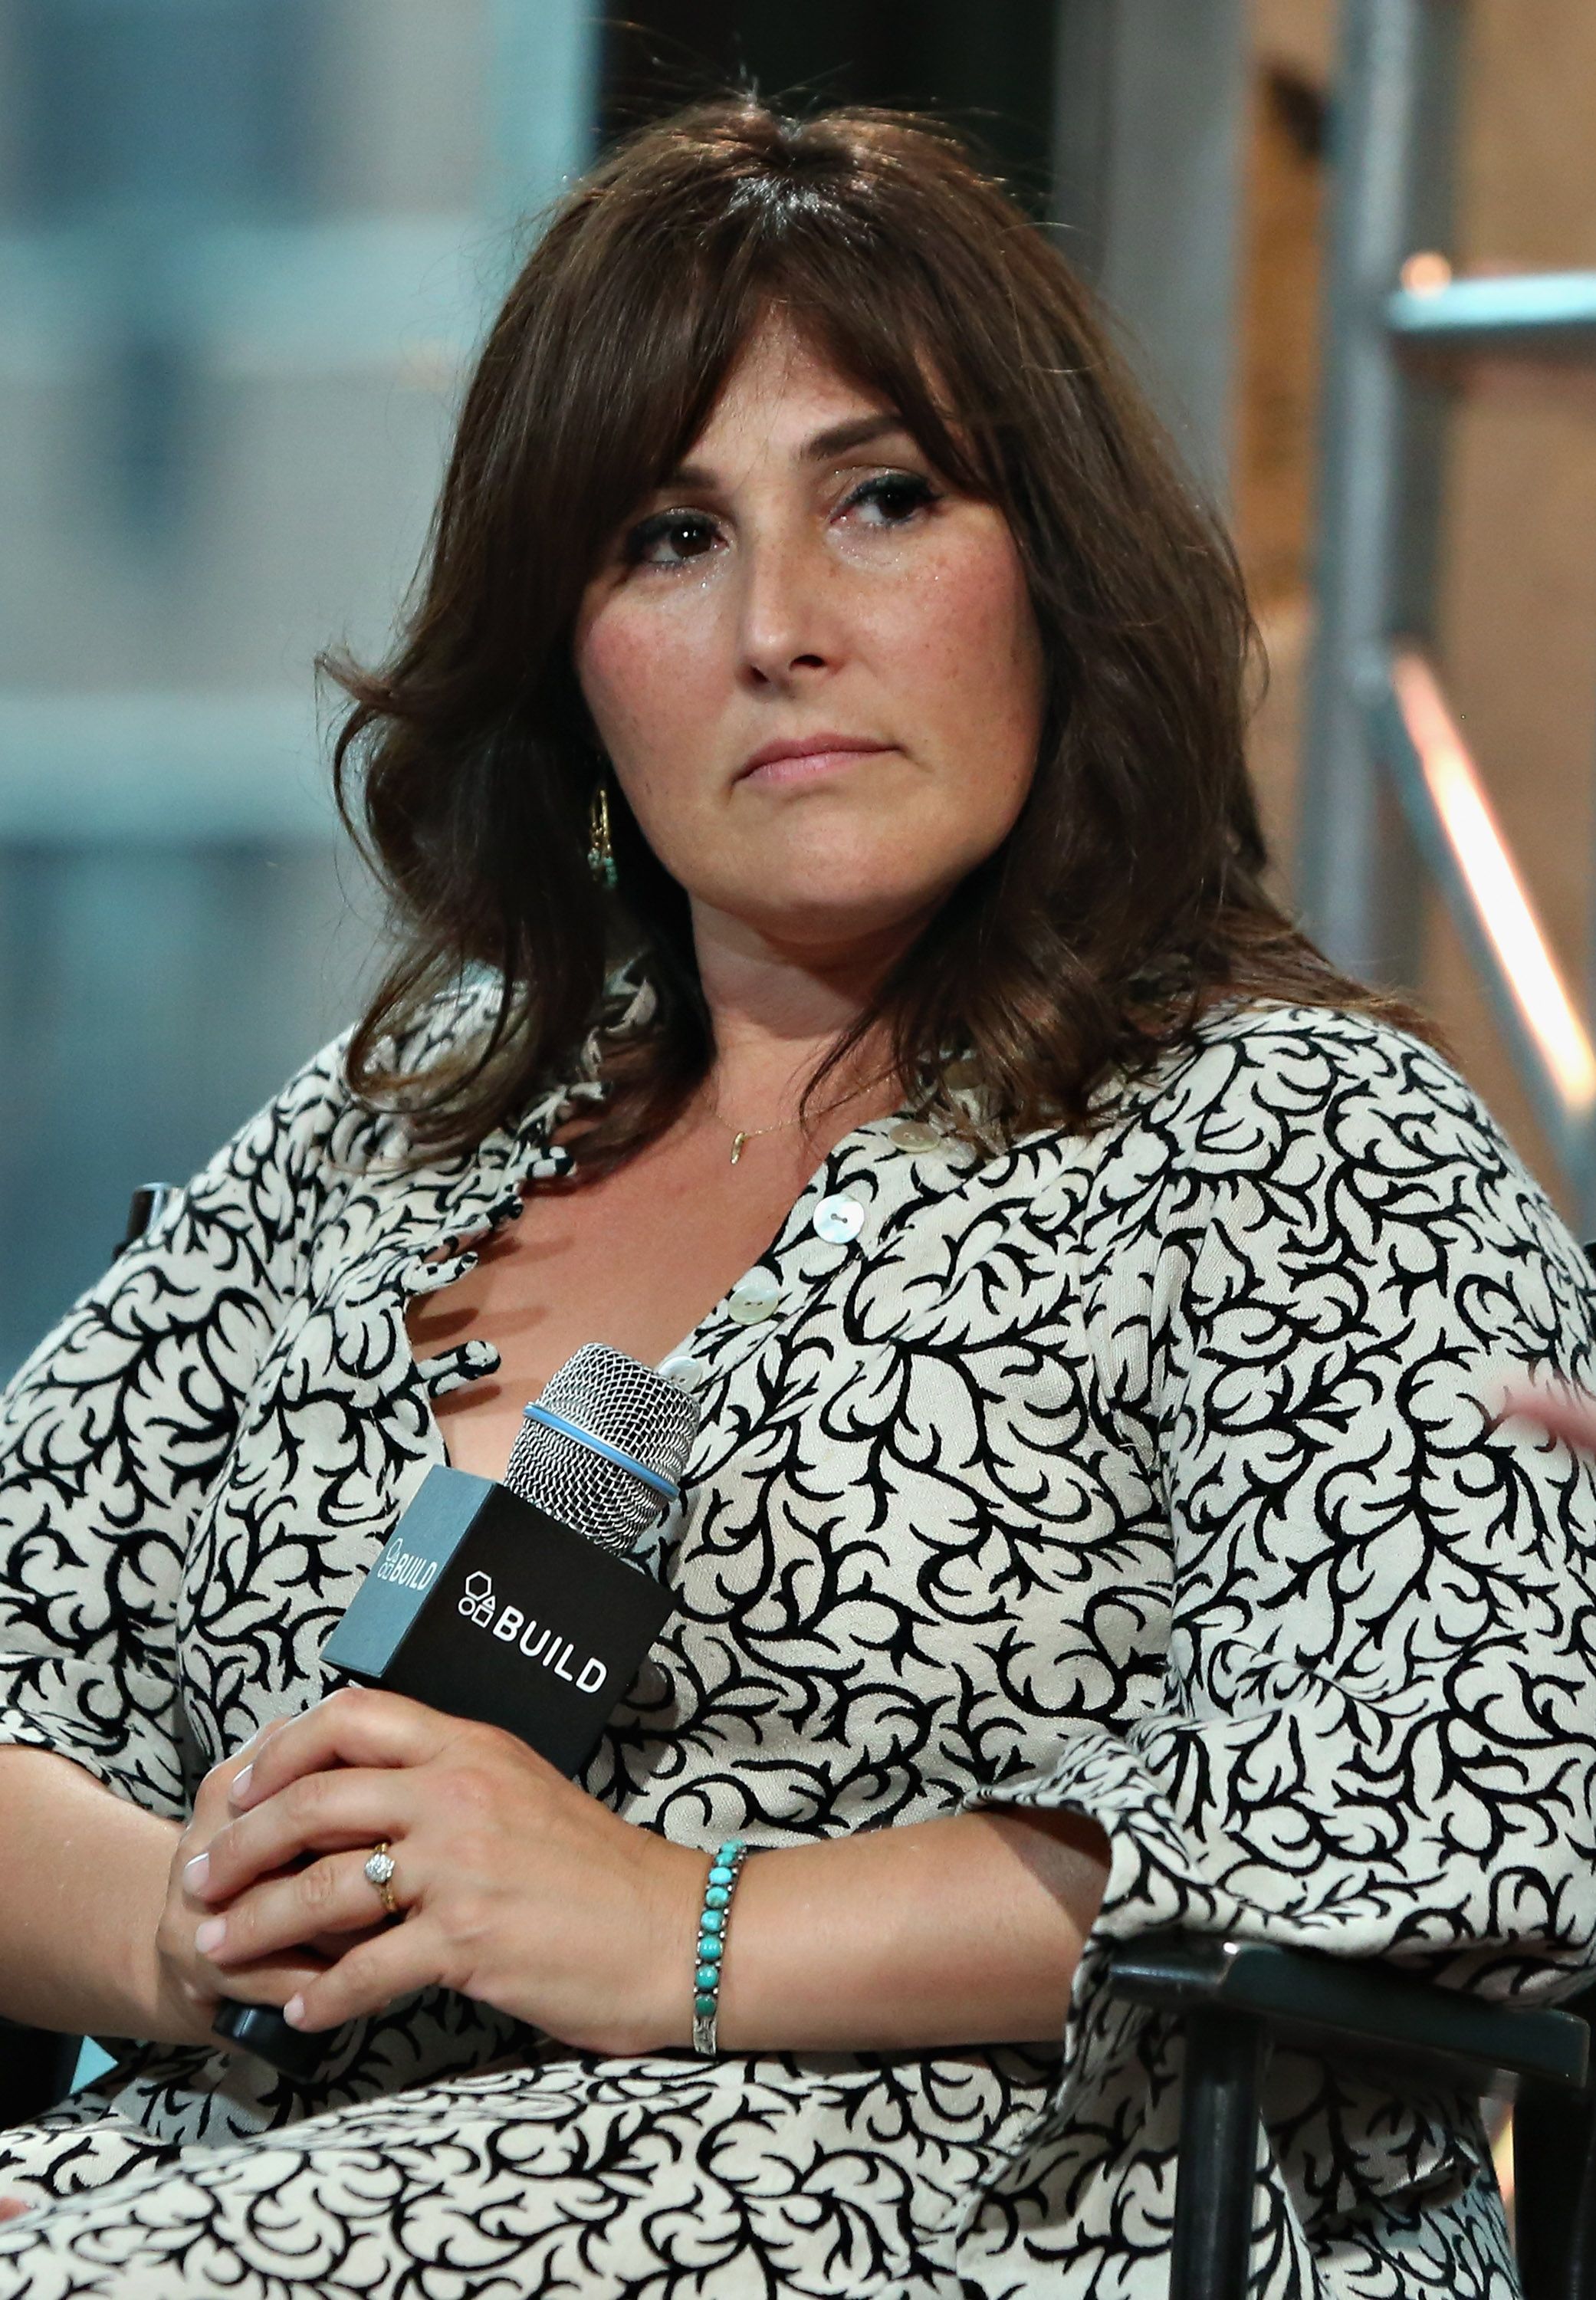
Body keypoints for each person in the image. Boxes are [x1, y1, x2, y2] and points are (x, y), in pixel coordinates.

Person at [0, 97, 1591, 2300]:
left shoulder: (1303, 1142)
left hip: (981, 2221)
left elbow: (1448, 1809)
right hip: (223, 2198)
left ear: (1050, 568)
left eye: (882, 499)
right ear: (562, 651)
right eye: (665, 536)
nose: (779, 627)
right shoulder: (397, 1123)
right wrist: (187, 1925)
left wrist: (679, 1925)